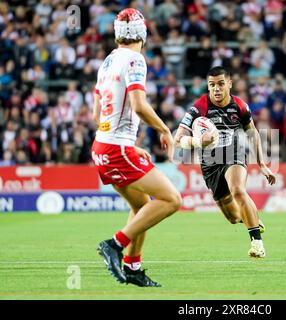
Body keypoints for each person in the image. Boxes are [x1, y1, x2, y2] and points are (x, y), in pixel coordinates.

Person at [91, 8, 182, 287]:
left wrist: (127, 144)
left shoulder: (107, 62)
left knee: (141, 205)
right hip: (116, 149)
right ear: (142, 32)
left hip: (103, 146)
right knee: (172, 200)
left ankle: (133, 268)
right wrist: (164, 129)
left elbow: (97, 115)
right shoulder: (135, 60)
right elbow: (139, 106)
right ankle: (114, 245)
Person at [174, 66, 276, 258]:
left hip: (234, 151)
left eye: (221, 84)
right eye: (212, 85)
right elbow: (177, 140)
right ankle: (252, 219)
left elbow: (252, 133)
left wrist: (262, 164)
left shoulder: (240, 106)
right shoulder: (199, 107)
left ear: (230, 83)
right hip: (209, 162)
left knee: (238, 189)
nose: (216, 89)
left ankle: (257, 243)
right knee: (233, 217)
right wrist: (197, 141)